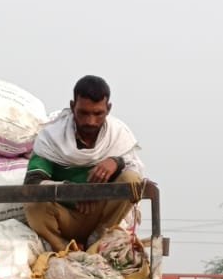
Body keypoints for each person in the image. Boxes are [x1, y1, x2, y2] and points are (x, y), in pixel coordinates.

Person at [24, 75, 146, 252]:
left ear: (108, 109)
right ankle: (66, 250)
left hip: (102, 219)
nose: (90, 121)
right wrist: (71, 192)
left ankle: (97, 242)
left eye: (98, 114)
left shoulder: (118, 136)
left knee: (131, 179)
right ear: (73, 106)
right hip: (64, 218)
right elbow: (32, 183)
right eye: (84, 113)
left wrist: (116, 162)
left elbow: (135, 171)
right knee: (34, 203)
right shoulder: (51, 138)